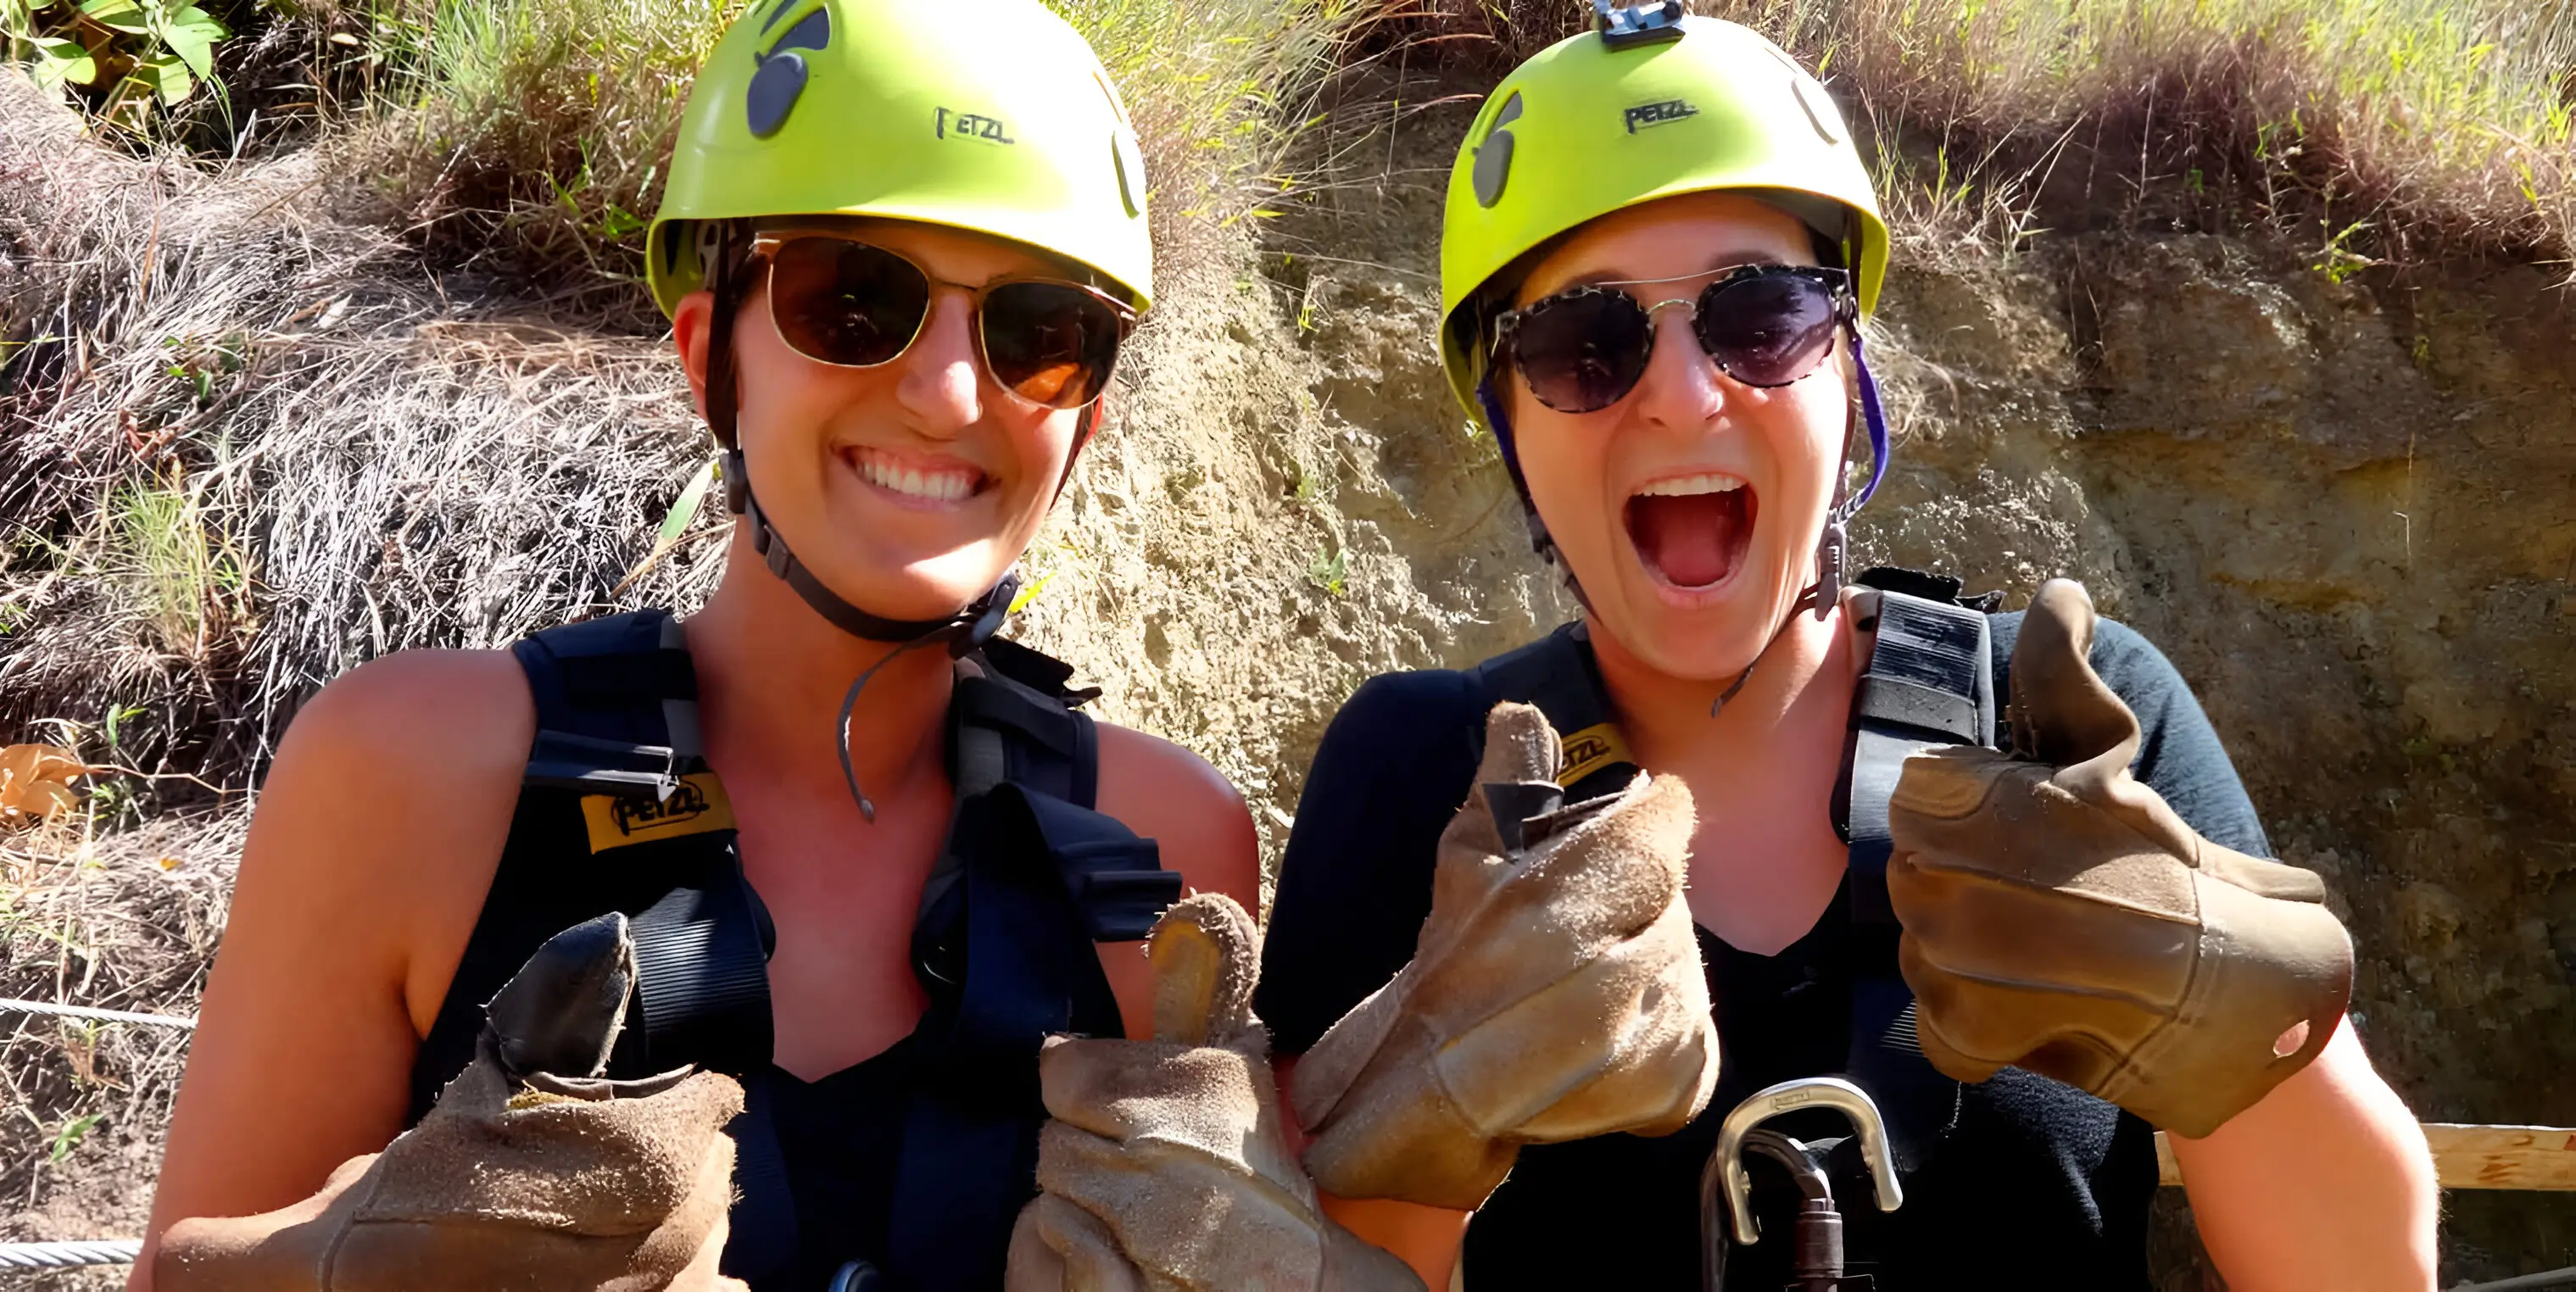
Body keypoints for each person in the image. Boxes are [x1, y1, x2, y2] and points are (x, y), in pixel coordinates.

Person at [1251, 10, 2439, 1290]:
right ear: (1508, 420)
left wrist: (2248, 1025)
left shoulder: (2077, 735)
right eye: (1581, 346)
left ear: (1846, 372)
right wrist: (1423, 1137)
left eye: (1758, 317)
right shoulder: (1413, 779)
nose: (1684, 393)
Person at [132, 2, 1265, 1288]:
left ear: (1086, 421)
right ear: (706, 354)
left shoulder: (1163, 851)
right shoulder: (414, 772)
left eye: (1040, 335)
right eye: (852, 299)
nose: (952, 393)